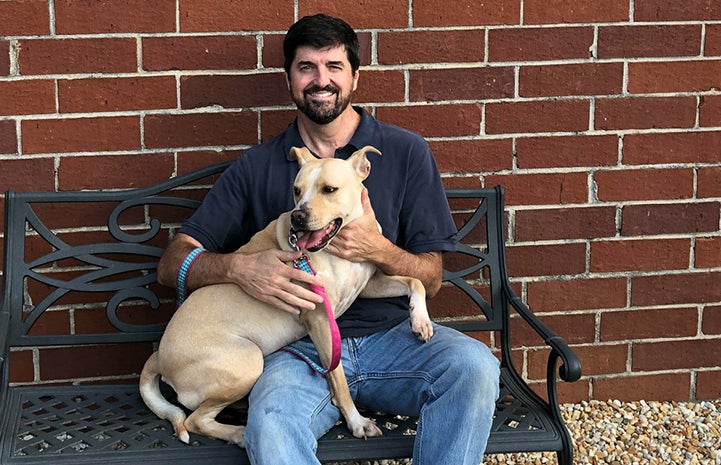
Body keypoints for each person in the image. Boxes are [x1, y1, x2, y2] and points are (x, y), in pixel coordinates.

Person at [157, 14, 500, 465]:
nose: (322, 80)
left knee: (475, 368)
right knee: (273, 420)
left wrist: (376, 248)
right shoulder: (258, 165)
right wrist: (240, 267)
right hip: (296, 351)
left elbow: (432, 278)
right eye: (306, 68)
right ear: (290, 80)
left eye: (334, 67)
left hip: (393, 337)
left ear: (355, 76)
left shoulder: (404, 151)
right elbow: (172, 264)